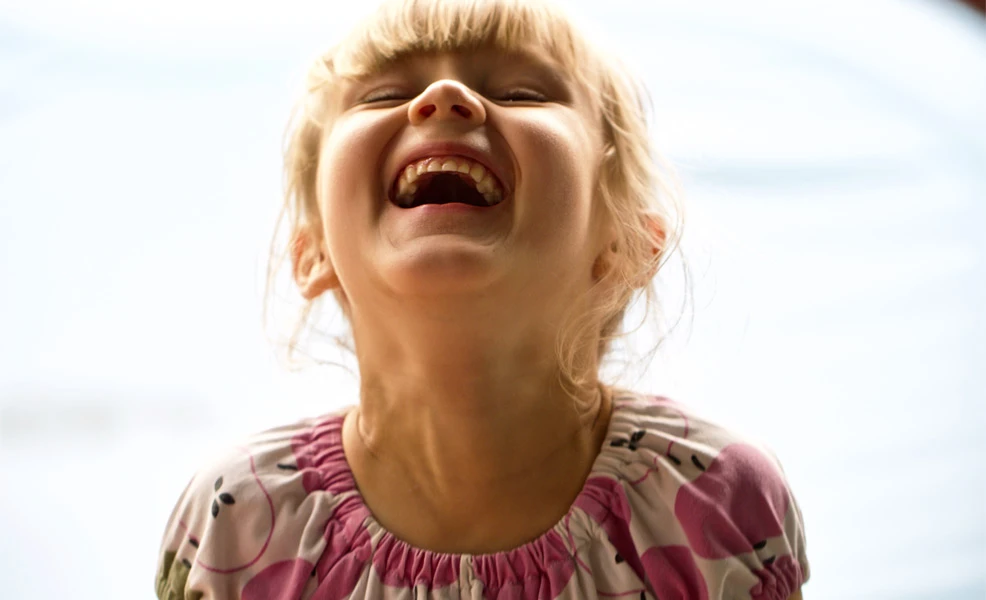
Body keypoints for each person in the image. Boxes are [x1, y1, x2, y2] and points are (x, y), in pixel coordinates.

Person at [154, 0, 809, 597]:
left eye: (522, 92)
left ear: (623, 244)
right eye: (384, 93)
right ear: (314, 251)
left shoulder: (716, 502)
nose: (443, 97)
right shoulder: (235, 521)